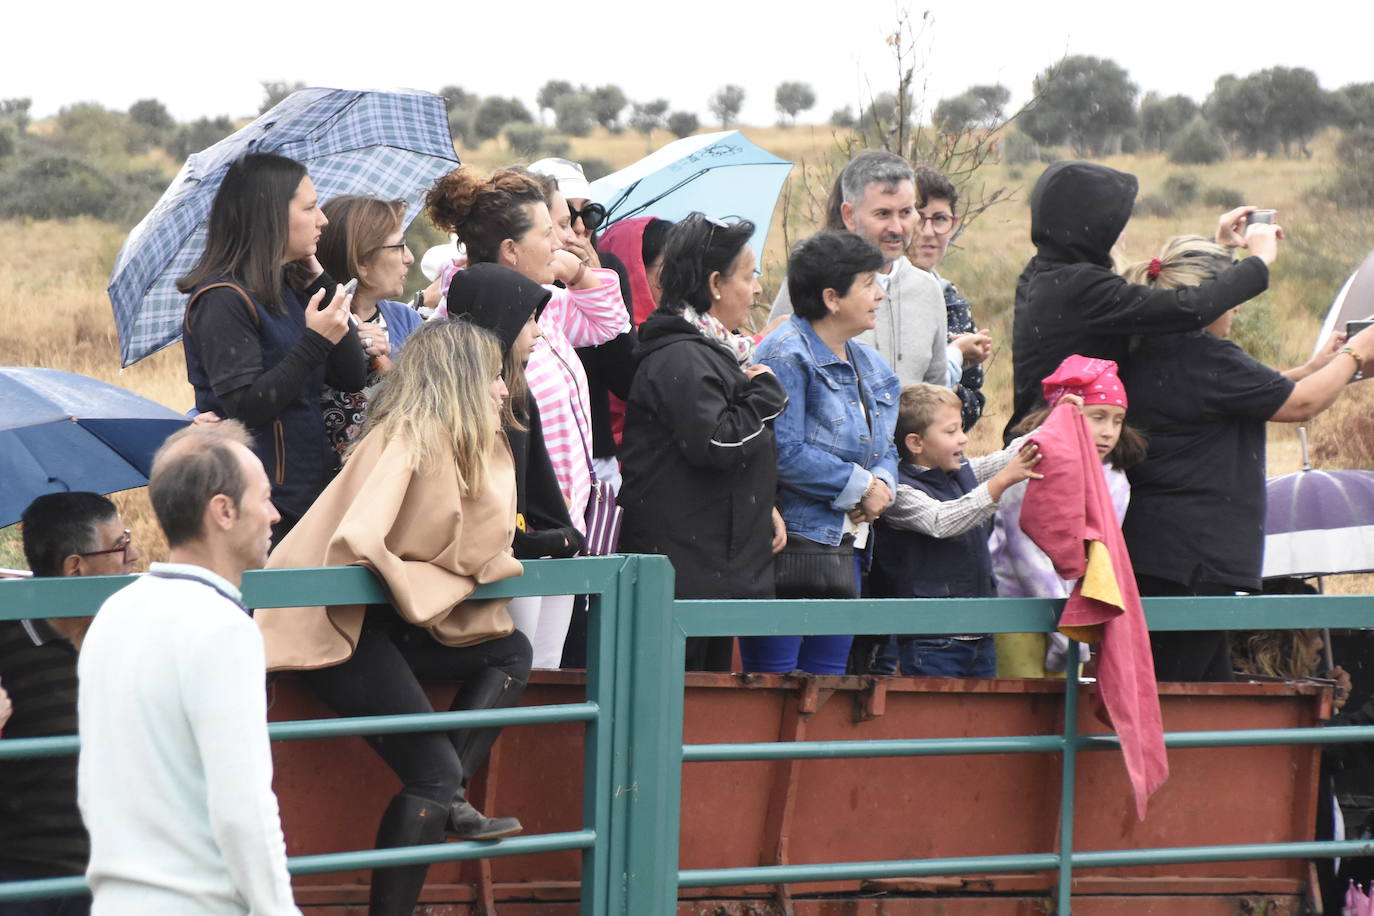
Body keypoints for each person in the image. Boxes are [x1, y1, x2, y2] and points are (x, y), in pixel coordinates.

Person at [257, 319, 531, 916]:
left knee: (510, 651)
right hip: (334, 622)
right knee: (429, 773)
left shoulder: (455, 442)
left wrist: (442, 580)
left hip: (377, 620)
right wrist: (443, 582)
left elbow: (462, 553)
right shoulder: (411, 436)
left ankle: (454, 795)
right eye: (491, 377)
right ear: (461, 380)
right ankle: (443, 801)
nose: (503, 391)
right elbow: (362, 539)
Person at [1119, 235, 1374, 681]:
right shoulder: (1206, 355)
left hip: (1161, 557)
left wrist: (1317, 370)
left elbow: (1259, 392)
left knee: (1203, 696)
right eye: (1231, 295)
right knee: (1180, 702)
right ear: (1208, 299)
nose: (1237, 307)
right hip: (1190, 566)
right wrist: (1357, 354)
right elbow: (1299, 406)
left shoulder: (1154, 349)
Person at [77, 422, 298, 915]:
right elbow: (243, 810)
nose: (274, 514)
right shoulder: (225, 628)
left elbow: (93, 787)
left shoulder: (115, 613)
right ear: (223, 511)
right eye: (263, 498)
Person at [425, 166, 628, 667]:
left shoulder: (544, 308)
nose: (559, 241)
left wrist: (579, 271)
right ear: (511, 251)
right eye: (546, 233)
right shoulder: (467, 320)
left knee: (545, 673)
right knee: (520, 668)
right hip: (517, 531)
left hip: (561, 525)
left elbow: (610, 323)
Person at [619, 214, 789, 671]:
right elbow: (718, 442)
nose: (757, 289)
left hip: (706, 570)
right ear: (715, 283)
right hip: (686, 578)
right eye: (750, 275)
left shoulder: (711, 351)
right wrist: (767, 396)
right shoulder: (683, 356)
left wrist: (761, 507)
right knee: (678, 708)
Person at [1005, 160, 1279, 441]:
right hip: (1062, 455)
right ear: (1085, 224)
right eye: (1112, 225)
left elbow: (1142, 291)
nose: (1120, 235)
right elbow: (1187, 308)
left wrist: (1218, 246)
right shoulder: (1080, 288)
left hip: (1043, 440)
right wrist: (1259, 262)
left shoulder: (1044, 271)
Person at [178, 152, 367, 540]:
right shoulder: (223, 298)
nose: (323, 220)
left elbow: (351, 375)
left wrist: (323, 281)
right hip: (257, 505)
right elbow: (246, 405)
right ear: (273, 215)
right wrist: (314, 342)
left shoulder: (291, 287)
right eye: (310, 208)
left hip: (310, 496)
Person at [745, 230, 901, 675]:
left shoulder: (870, 364)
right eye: (869, 283)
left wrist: (883, 486)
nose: (880, 294)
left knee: (827, 683)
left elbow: (886, 445)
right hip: (791, 545)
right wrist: (860, 486)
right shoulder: (785, 355)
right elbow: (782, 450)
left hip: (847, 546)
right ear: (832, 297)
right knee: (771, 684)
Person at [0, 493, 141, 916]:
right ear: (75, 567)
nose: (134, 555)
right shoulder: (6, 637)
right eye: (120, 545)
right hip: (20, 881)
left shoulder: (130, 632)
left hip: (118, 875)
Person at [446, 264, 584, 661]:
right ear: (499, 323)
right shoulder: (458, 404)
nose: (538, 331)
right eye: (527, 320)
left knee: (543, 670)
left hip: (525, 556)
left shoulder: (521, 398)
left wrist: (564, 537)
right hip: (483, 569)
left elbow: (540, 493)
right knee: (516, 660)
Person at [869, 385, 1043, 677]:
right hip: (931, 639)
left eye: (962, 428)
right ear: (915, 443)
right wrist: (1000, 484)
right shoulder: (899, 490)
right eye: (951, 431)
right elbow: (942, 521)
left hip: (981, 633)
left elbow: (1011, 457)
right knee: (934, 719)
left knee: (976, 719)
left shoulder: (962, 472)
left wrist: (1062, 419)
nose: (963, 438)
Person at [990, 356, 1147, 677]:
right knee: (1019, 710)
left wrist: (1081, 616)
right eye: (1098, 417)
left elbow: (1102, 557)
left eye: (1118, 420)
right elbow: (1027, 559)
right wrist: (1061, 628)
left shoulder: (1117, 481)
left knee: (1065, 714)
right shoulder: (1030, 466)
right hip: (1019, 610)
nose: (1108, 432)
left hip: (1075, 617)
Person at [767, 151, 949, 388]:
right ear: (849, 215)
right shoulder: (811, 283)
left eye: (905, 212)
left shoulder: (928, 289)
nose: (896, 227)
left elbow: (936, 391)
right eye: (883, 214)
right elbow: (775, 375)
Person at [314, 195, 424, 452]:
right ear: (362, 261)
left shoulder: (406, 320)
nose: (409, 258)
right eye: (399, 246)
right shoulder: (313, 324)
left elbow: (427, 409)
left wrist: (388, 364)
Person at [911, 166, 991, 430]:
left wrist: (954, 370)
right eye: (918, 218)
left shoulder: (952, 301)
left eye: (940, 219)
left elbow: (973, 405)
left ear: (953, 224)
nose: (928, 231)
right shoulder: (871, 295)